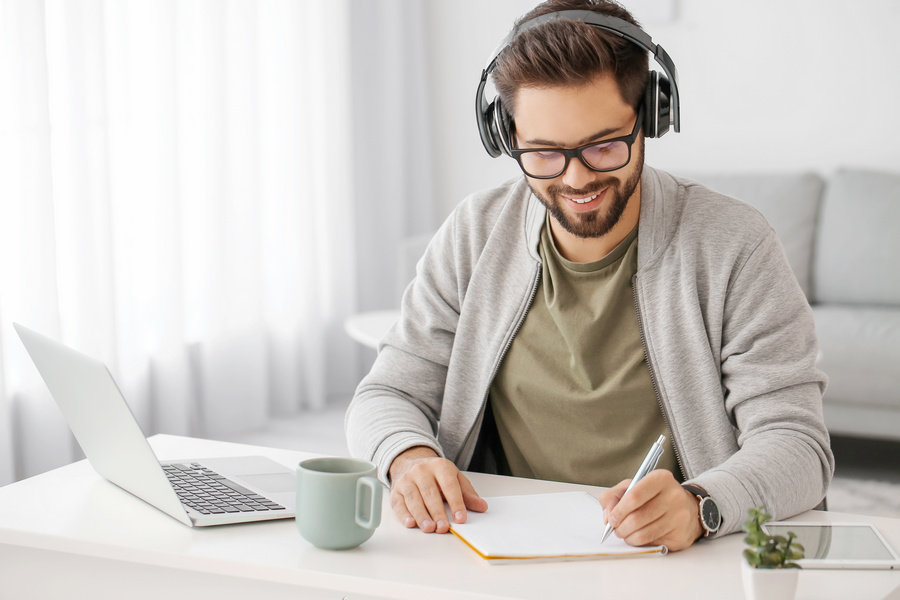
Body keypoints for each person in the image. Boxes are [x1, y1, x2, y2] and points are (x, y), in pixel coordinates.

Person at [345, 0, 834, 552]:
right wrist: (408, 456)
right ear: (506, 137)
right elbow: (386, 392)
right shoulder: (474, 233)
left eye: (604, 145)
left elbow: (797, 445)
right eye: (545, 153)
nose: (577, 178)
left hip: (672, 559)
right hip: (500, 549)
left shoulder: (735, 245)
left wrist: (703, 502)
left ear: (651, 116)